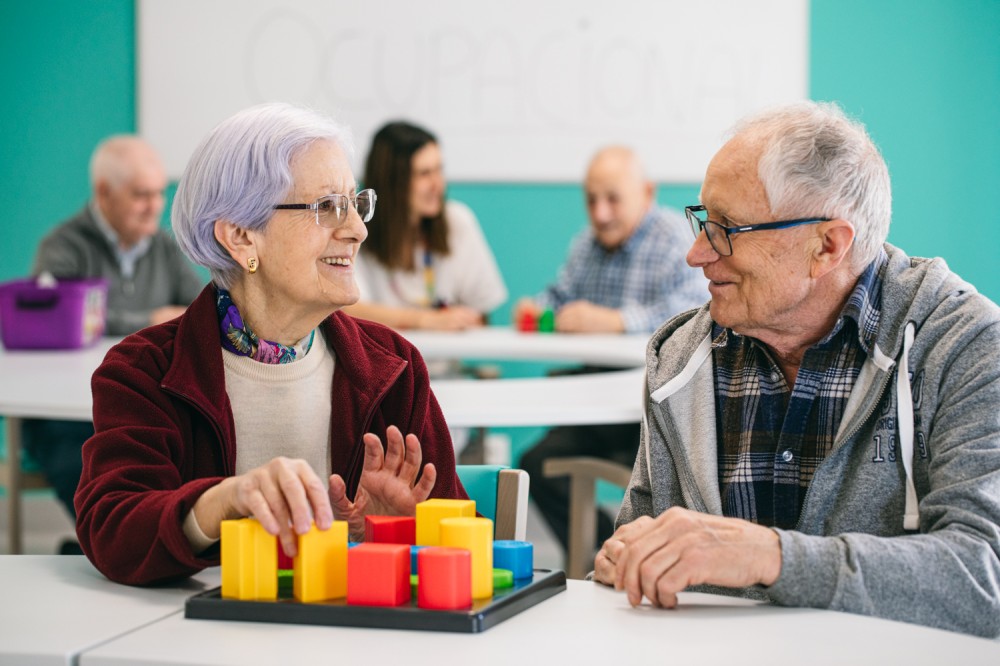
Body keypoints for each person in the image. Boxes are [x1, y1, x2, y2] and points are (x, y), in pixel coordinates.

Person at [594, 101, 1000, 638]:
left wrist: (770, 557)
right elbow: (635, 553)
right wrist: (626, 558)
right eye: (702, 220)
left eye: (727, 229)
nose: (696, 254)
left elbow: (983, 577)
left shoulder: (963, 345)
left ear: (827, 246)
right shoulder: (679, 359)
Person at [75, 103, 468, 586]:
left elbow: (460, 548)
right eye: (327, 207)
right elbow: (113, 531)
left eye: (355, 203)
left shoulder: (394, 367)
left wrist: (393, 533)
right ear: (241, 238)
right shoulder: (142, 371)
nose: (358, 230)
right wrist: (221, 501)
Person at [518, 146, 708, 556]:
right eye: (591, 200)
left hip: (652, 412)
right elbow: (560, 295)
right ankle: (604, 551)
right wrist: (539, 308)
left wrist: (616, 320)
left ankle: (639, 556)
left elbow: (693, 314)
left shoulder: (676, 239)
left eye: (613, 199)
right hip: (595, 405)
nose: (600, 213)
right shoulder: (586, 245)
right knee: (536, 464)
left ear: (647, 192)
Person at [24, 136, 202, 530]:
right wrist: (150, 319)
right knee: (96, 474)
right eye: (142, 194)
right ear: (104, 192)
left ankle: (150, 539)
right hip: (68, 417)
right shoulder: (62, 248)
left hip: (141, 403)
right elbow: (55, 320)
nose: (156, 205)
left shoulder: (164, 249)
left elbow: (199, 312)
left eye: (160, 193)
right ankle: (121, 539)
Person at [343, 121, 507, 330]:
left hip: (446, 362)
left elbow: (481, 311)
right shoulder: (356, 229)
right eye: (424, 174)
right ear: (392, 181)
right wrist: (425, 320)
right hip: (384, 361)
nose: (437, 185)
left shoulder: (457, 221)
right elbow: (347, 310)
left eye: (439, 170)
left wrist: (462, 320)